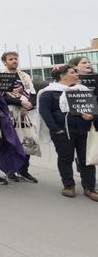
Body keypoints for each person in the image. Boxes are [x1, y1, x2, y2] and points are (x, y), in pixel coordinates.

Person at [38, 65, 98, 201]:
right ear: (62, 76)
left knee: (86, 160)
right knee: (66, 158)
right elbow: (45, 112)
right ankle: (68, 185)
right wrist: (55, 129)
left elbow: (93, 109)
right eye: (73, 72)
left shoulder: (83, 91)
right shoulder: (49, 92)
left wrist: (91, 116)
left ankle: (89, 187)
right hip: (63, 131)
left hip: (83, 130)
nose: (77, 75)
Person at [0, 52, 38, 183]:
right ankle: (11, 170)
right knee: (11, 142)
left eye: (16, 58)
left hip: (25, 114)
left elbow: (33, 93)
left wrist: (30, 105)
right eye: (10, 59)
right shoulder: (1, 76)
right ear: (4, 62)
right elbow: (1, 97)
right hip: (9, 113)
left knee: (27, 141)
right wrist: (19, 102)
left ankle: (24, 170)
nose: (14, 61)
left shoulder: (24, 76)